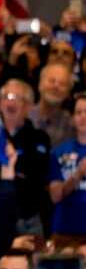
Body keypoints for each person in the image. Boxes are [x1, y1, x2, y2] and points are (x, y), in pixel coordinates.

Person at [0, 78, 50, 247]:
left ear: (28, 106)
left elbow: (37, 177)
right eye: (6, 96)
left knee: (33, 266)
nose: (10, 102)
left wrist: (0, 163)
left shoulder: (39, 138)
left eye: (17, 98)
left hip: (28, 216)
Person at [48, 93, 86, 241]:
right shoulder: (59, 152)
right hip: (65, 230)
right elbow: (55, 196)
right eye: (78, 112)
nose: (83, 117)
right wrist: (78, 174)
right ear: (72, 119)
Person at [28, 63, 76, 147]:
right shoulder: (22, 115)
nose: (56, 86)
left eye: (62, 83)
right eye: (51, 81)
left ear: (68, 93)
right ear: (40, 84)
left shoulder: (72, 126)